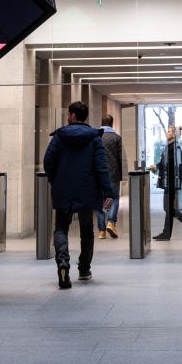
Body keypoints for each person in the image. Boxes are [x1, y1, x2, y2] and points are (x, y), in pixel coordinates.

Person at [43, 100, 113, 289]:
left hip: (63, 189)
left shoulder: (59, 136)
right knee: (86, 230)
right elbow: (101, 167)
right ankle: (84, 269)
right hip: (87, 189)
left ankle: (63, 263)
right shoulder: (94, 138)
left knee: (61, 228)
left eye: (68, 114)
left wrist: (55, 180)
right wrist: (108, 191)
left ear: (72, 116)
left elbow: (47, 162)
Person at [150, 125, 182, 240]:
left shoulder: (174, 147)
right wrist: (157, 166)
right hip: (168, 181)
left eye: (169, 132)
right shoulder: (170, 147)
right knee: (168, 207)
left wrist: (158, 166)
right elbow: (166, 162)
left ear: (174, 134)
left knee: (167, 207)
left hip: (170, 182)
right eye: (167, 131)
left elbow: (172, 165)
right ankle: (167, 233)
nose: (167, 133)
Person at [96, 114, 126, 239]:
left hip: (98, 174)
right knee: (114, 199)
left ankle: (102, 231)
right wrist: (123, 175)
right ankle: (111, 222)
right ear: (112, 124)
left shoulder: (96, 137)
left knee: (100, 201)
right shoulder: (117, 138)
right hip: (113, 174)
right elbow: (121, 158)